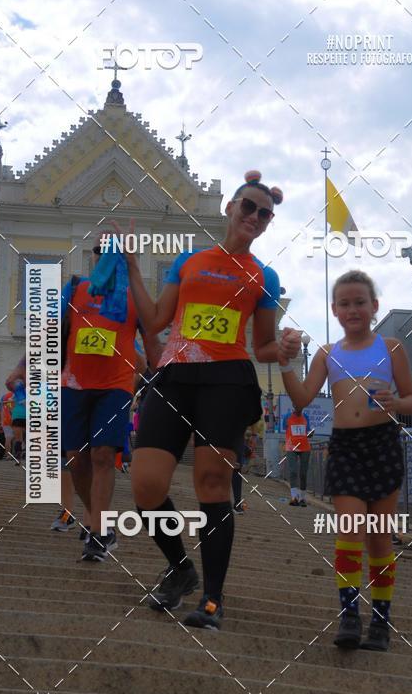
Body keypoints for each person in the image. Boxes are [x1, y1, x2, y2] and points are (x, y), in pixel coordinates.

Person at [126, 170, 299, 630]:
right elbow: (157, 318)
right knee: (145, 485)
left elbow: (261, 345)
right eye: (249, 207)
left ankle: (212, 599)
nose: (257, 217)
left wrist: (281, 349)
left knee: (211, 484)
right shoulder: (188, 261)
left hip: (227, 379)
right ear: (231, 208)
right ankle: (181, 568)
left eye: (266, 214)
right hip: (175, 376)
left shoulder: (265, 274)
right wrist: (131, 268)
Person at [280, 270, 412, 652]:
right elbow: (304, 398)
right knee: (349, 532)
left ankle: (382, 620)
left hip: (383, 444)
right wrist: (285, 365)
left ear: (374, 307)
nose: (353, 309)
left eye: (360, 302)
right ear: (334, 310)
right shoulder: (328, 353)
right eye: (345, 303)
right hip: (345, 446)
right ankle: (349, 615)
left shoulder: (391, 348)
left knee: (378, 538)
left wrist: (397, 403)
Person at [60, 235, 155, 562]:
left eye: (115, 253)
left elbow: (152, 340)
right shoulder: (75, 290)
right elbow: (54, 331)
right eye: (101, 252)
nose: (106, 257)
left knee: (102, 455)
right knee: (76, 458)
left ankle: (98, 533)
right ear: (93, 257)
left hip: (115, 387)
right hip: (74, 384)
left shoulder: (134, 298)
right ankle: (100, 521)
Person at [283, 405, 312, 507]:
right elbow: (285, 430)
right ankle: (294, 497)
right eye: (296, 406)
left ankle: (303, 498)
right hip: (291, 447)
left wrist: (310, 433)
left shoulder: (306, 417)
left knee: (303, 473)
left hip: (305, 447)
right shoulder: (286, 416)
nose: (298, 408)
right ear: (293, 406)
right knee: (293, 471)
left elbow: (308, 432)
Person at [0, 390, 14, 458]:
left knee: (8, 438)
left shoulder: (4, 396)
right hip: (13, 420)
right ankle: (12, 454)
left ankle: (7, 454)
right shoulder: (16, 396)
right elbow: (12, 409)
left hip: (5, 421)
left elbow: (2, 410)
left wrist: (1, 422)